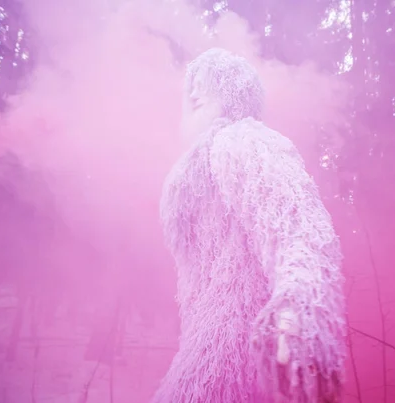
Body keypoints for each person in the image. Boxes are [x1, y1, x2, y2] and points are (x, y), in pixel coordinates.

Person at [153, 48, 346, 403]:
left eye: (205, 83)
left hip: (240, 342)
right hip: (207, 339)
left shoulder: (242, 140)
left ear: (232, 89)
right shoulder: (194, 162)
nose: (193, 93)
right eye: (190, 85)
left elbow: (297, 222)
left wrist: (295, 306)